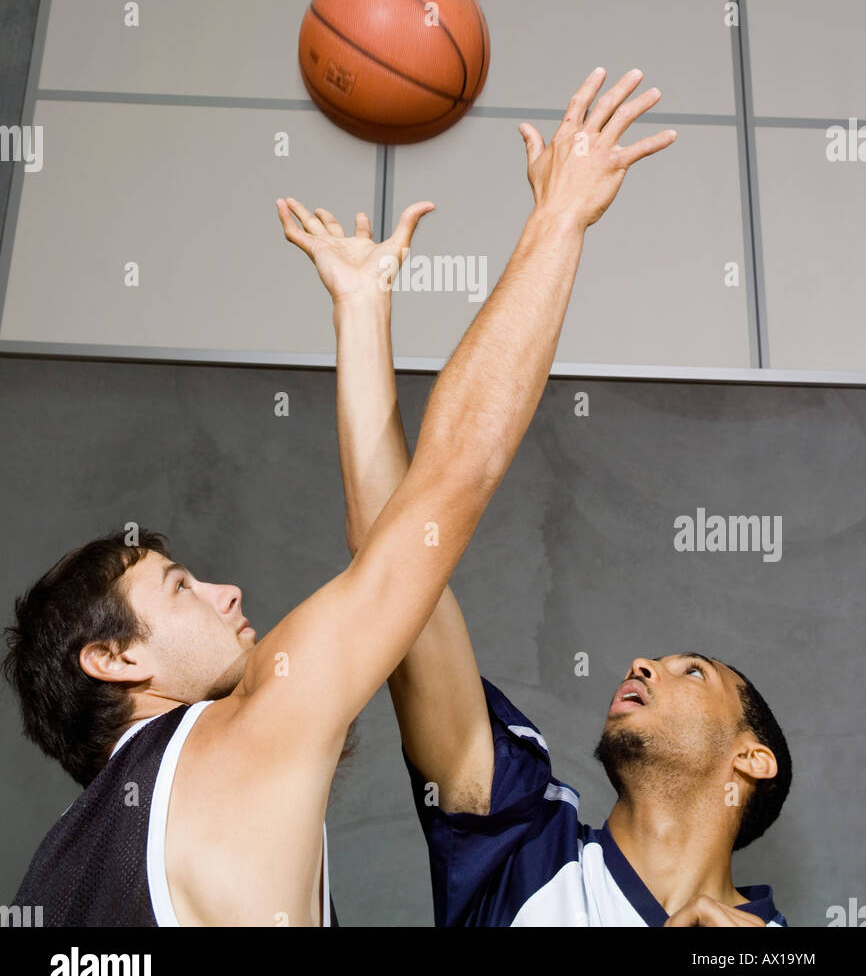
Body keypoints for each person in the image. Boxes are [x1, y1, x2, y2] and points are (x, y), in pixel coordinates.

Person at [5, 68, 675, 927]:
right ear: (114, 660)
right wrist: (560, 216)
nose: (228, 591)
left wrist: (362, 310)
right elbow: (448, 484)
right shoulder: (228, 740)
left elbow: (389, 536)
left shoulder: (61, 869)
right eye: (179, 587)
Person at [291, 92, 791, 929]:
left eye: (691, 670)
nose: (643, 664)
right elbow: (395, 561)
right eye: (665, 659)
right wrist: (362, 310)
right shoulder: (518, 840)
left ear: (752, 758)